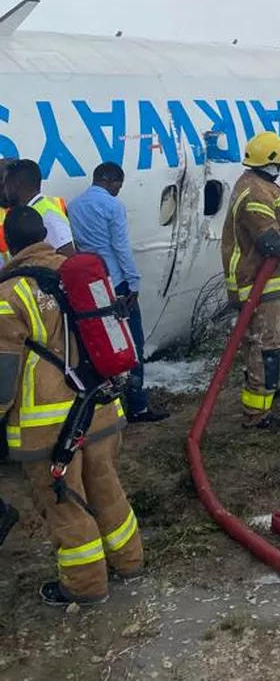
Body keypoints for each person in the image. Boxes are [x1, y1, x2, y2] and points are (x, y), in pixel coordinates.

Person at [0, 206, 142, 605]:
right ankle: (130, 562)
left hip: (49, 426)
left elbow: (3, 375)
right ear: (44, 234)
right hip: (100, 407)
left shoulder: (10, 295)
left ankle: (85, 587)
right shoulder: (77, 273)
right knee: (106, 489)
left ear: (9, 243)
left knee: (66, 505)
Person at [221, 132, 280, 430]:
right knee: (265, 345)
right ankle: (257, 412)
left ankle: (264, 390)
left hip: (257, 280)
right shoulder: (257, 194)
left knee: (258, 343)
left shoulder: (254, 185)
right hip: (256, 282)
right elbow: (273, 244)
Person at [67, 163, 169, 423]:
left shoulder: (75, 206)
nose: (118, 191)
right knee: (132, 342)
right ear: (109, 180)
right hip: (117, 282)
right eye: (118, 185)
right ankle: (137, 405)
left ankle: (104, 405)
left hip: (93, 284)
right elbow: (121, 247)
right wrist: (133, 281)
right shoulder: (113, 206)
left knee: (99, 343)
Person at [4, 159, 75, 256]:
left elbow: (67, 256)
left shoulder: (48, 215)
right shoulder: (31, 210)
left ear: (16, 184)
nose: (4, 190)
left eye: (6, 184)